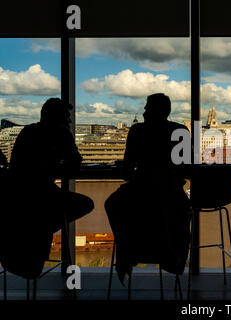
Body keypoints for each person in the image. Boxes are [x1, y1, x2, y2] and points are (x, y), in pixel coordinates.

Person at [0, 98, 94, 279]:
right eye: (66, 117)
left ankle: (42, 226)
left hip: (18, 197)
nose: (69, 121)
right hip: (44, 194)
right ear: (57, 118)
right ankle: (45, 225)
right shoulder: (62, 134)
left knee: (44, 214)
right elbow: (76, 162)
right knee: (85, 203)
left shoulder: (27, 131)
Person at [105, 93, 191, 283]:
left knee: (112, 204)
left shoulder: (137, 131)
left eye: (147, 107)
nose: (143, 112)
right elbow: (187, 169)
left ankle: (126, 251)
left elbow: (126, 172)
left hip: (140, 191)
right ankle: (171, 257)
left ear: (156, 110)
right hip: (172, 192)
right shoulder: (181, 131)